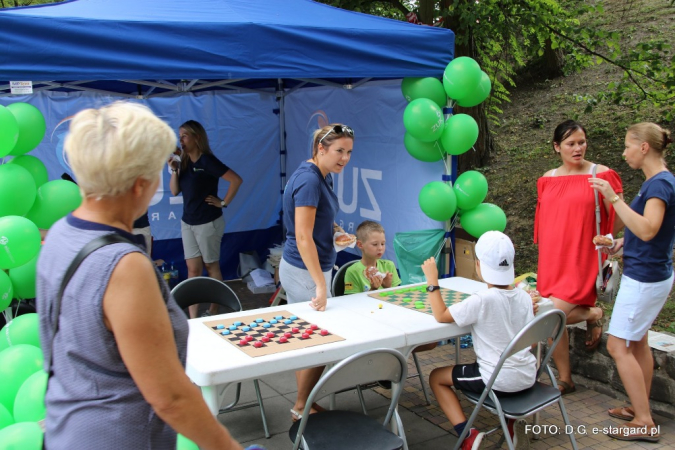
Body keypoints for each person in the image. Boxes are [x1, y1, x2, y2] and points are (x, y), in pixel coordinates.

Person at [36, 103, 243, 450]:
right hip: (119, 435)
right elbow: (171, 397)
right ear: (139, 184)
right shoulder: (125, 265)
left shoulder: (59, 234)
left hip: (67, 428)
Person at [589, 122, 674, 443]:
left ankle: (644, 421)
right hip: (650, 272)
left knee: (616, 345)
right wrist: (619, 243)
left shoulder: (659, 186)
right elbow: (648, 234)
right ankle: (641, 408)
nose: (623, 152)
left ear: (643, 147)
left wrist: (614, 198)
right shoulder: (656, 183)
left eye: (627, 146)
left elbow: (650, 229)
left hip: (645, 279)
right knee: (637, 342)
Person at [421, 231, 536, 450]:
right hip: (528, 375)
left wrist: (432, 281)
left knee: (436, 377)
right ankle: (511, 422)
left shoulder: (482, 299)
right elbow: (530, 343)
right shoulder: (524, 297)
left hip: (497, 380)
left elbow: (441, 315)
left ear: (478, 264)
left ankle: (467, 435)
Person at [534, 120, 624, 395]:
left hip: (582, 258)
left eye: (581, 142)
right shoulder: (547, 178)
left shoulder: (602, 174)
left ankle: (592, 314)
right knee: (547, 314)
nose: (577, 148)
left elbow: (619, 215)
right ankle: (566, 378)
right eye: (570, 144)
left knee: (549, 315)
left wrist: (605, 237)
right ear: (556, 147)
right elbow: (544, 221)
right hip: (553, 258)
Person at [279, 123, 354, 421]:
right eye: (339, 151)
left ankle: (304, 403)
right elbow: (301, 236)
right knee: (319, 342)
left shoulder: (322, 175)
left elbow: (316, 222)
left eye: (349, 152)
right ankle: (301, 406)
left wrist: (335, 232)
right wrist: (320, 285)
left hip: (310, 266)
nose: (345, 158)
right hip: (304, 271)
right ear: (320, 149)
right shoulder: (309, 180)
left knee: (311, 340)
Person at [169, 120, 243, 318]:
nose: (181, 140)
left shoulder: (208, 161)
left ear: (197, 137)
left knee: (211, 266)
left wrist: (223, 203)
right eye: (180, 136)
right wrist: (175, 169)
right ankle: (193, 318)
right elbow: (175, 190)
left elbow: (236, 180)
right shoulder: (183, 162)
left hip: (208, 222)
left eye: (184, 136)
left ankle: (214, 311)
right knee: (193, 269)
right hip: (188, 222)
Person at [343, 220, 401, 294]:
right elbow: (352, 301)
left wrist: (388, 287)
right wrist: (373, 289)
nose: (380, 248)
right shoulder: (352, 272)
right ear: (360, 245)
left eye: (383, 244)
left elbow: (397, 296)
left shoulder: (389, 266)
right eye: (375, 244)